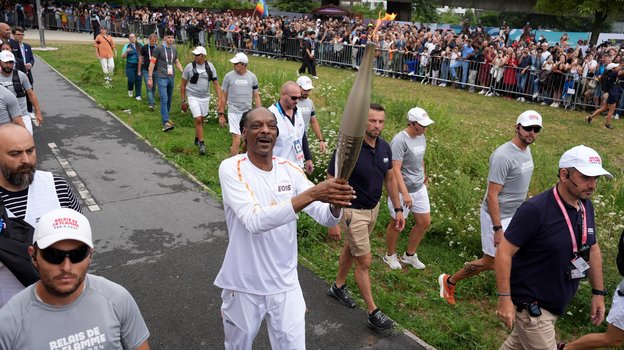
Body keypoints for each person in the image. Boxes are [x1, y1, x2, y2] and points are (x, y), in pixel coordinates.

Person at [214, 107, 355, 349]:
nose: (265, 130)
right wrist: (313, 193)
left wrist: (334, 203)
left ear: (277, 134)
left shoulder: (289, 169)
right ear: (244, 132)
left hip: (286, 284)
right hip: (245, 284)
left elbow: (325, 216)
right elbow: (254, 221)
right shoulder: (231, 168)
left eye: (271, 125)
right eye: (257, 126)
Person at [495, 145, 610, 349]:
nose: (592, 185)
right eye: (585, 177)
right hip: (533, 309)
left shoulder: (585, 205)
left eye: (596, 178)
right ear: (564, 175)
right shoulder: (535, 210)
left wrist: (598, 293)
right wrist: (504, 298)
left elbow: (592, 249)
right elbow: (504, 251)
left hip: (555, 303)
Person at [0, 208, 151, 349]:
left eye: (77, 255)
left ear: (90, 255)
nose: (66, 267)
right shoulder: (8, 323)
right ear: (33, 255)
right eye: (53, 255)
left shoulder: (117, 299)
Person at [439, 110, 543, 305]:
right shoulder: (503, 156)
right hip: (497, 216)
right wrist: (497, 228)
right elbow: (492, 195)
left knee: (517, 256)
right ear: (517, 127)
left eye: (536, 129)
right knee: (491, 262)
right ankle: (449, 281)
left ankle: (517, 297)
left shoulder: (526, 150)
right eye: (528, 128)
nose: (532, 133)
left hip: (515, 214)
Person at [326, 103, 405, 331]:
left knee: (352, 248)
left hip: (374, 208)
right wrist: (333, 219)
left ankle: (338, 287)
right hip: (353, 210)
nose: (377, 125)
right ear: (363, 122)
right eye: (372, 121)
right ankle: (373, 312)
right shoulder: (349, 148)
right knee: (364, 261)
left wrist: (397, 209)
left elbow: (390, 179)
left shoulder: (385, 148)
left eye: (381, 121)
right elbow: (332, 179)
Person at [0, 123, 81, 307]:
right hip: (8, 316)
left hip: (62, 305)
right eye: (15, 154)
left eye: (30, 150)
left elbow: (80, 241)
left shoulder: (57, 187)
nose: (26, 160)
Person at [382, 107, 434, 270]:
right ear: (412, 123)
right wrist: (404, 193)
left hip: (419, 188)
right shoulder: (399, 140)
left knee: (424, 222)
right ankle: (390, 255)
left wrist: (424, 176)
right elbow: (395, 169)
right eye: (422, 125)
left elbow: (421, 160)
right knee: (397, 224)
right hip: (401, 190)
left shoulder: (421, 136)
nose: (425, 128)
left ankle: (409, 255)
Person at [218, 52, 261, 156]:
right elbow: (223, 96)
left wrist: (260, 113)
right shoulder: (228, 77)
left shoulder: (252, 77)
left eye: (236, 63)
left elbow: (256, 96)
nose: (234, 65)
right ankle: (233, 167)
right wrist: (221, 114)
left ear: (243, 65)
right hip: (233, 112)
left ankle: (241, 158)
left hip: (247, 113)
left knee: (247, 141)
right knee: (237, 140)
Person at [180, 46, 221, 155]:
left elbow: (215, 83)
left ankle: (197, 138)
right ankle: (202, 144)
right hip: (193, 96)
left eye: (197, 55)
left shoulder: (210, 67)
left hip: (205, 97)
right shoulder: (189, 67)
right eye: (194, 54)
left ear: (203, 56)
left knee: (201, 119)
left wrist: (220, 98)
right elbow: (183, 84)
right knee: (198, 119)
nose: (195, 56)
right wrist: (183, 101)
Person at [268, 81, 313, 173]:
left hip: (297, 166)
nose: (296, 101)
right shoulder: (270, 115)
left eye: (299, 98)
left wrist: (308, 158)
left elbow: (302, 134)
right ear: (283, 94)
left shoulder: (298, 111)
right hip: (279, 168)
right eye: (293, 98)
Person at [147, 29, 184, 132]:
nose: (170, 39)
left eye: (172, 37)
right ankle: (165, 122)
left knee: (169, 99)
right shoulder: (158, 49)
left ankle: (166, 118)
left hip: (171, 77)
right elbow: (152, 63)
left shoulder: (174, 49)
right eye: (169, 37)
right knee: (164, 99)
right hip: (161, 77)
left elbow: (176, 61)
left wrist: (182, 71)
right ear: (164, 38)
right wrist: (150, 78)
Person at [0, 51, 43, 133]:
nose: (8, 65)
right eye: (6, 62)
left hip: (23, 115)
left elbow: (31, 94)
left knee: (27, 140)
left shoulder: (21, 75)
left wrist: (38, 112)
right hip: (4, 118)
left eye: (11, 62)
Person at [296, 76, 327, 154]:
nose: (307, 92)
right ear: (298, 87)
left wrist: (321, 140)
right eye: (305, 89)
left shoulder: (310, 103)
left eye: (309, 90)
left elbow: (313, 121)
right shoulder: (292, 101)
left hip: (303, 139)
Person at [587, 63, 622, 129]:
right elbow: (621, 71)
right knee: (611, 109)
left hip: (610, 93)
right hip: (613, 93)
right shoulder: (613, 74)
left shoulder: (609, 73)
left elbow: (619, 68)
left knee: (604, 108)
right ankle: (607, 124)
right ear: (612, 69)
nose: (618, 67)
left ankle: (590, 117)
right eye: (616, 67)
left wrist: (621, 65)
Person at [138, 33, 158, 111]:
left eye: (155, 41)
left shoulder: (157, 48)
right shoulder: (144, 48)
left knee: (153, 87)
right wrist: (139, 70)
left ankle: (152, 100)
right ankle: (151, 104)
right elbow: (140, 59)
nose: (154, 42)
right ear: (149, 40)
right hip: (146, 70)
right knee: (149, 86)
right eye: (153, 41)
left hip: (156, 70)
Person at [122, 33, 142, 101]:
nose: (132, 38)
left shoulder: (140, 45)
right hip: (130, 65)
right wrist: (127, 52)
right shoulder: (127, 46)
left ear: (135, 37)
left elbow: (144, 54)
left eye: (133, 37)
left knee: (138, 80)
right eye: (131, 37)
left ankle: (138, 95)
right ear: (129, 39)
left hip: (139, 65)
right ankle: (130, 89)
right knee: (131, 79)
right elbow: (123, 56)